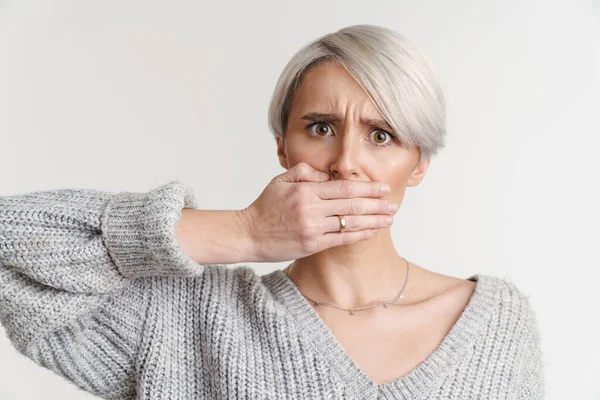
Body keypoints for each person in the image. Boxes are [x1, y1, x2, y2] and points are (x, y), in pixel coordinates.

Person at [0, 24, 544, 399]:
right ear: (283, 146)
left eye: (382, 135)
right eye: (321, 128)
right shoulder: (182, 322)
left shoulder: (494, 323)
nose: (346, 163)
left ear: (418, 163)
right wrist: (246, 231)